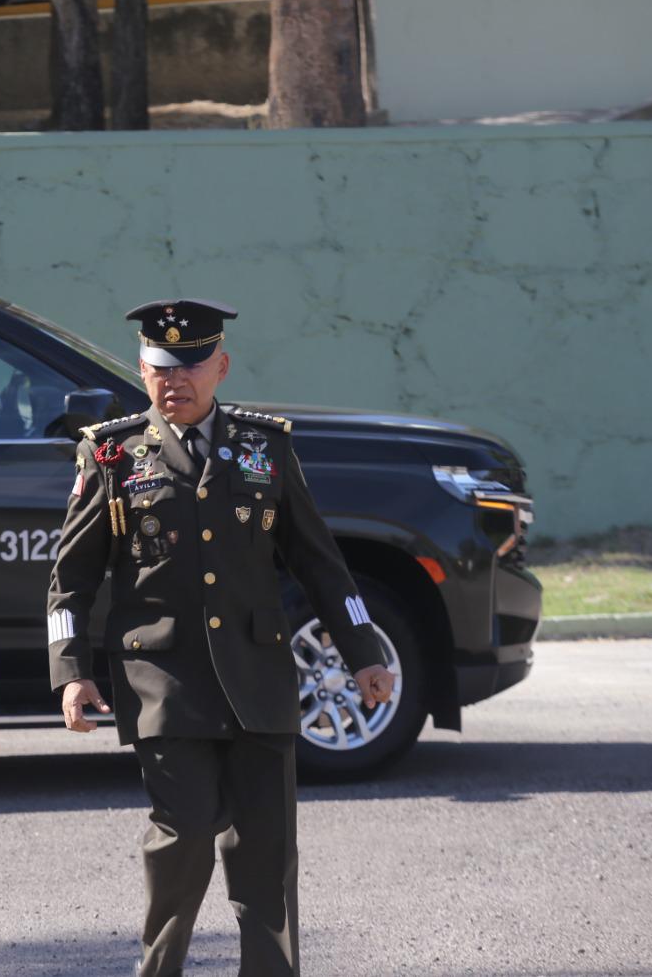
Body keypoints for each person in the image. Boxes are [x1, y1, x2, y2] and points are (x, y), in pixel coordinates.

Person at [46, 299, 397, 977]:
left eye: (190, 366)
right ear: (142, 371)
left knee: (267, 853)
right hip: (163, 684)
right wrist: (71, 670)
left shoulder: (267, 447)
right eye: (159, 368)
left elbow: (321, 564)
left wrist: (364, 654)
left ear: (221, 367)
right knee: (181, 841)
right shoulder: (113, 454)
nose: (174, 380)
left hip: (258, 680)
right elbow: (71, 580)